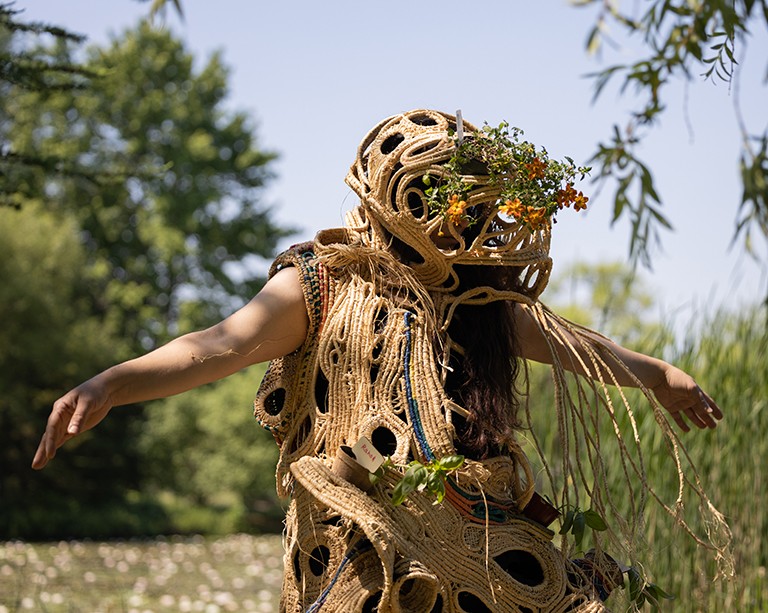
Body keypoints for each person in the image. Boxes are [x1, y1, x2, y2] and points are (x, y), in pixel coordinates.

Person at [33, 110, 728, 612]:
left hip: (481, 540)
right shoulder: (322, 284)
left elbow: (579, 347)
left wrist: (661, 375)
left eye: (465, 213)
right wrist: (113, 382)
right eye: (441, 207)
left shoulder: (480, 301)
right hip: (361, 553)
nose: (455, 226)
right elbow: (219, 343)